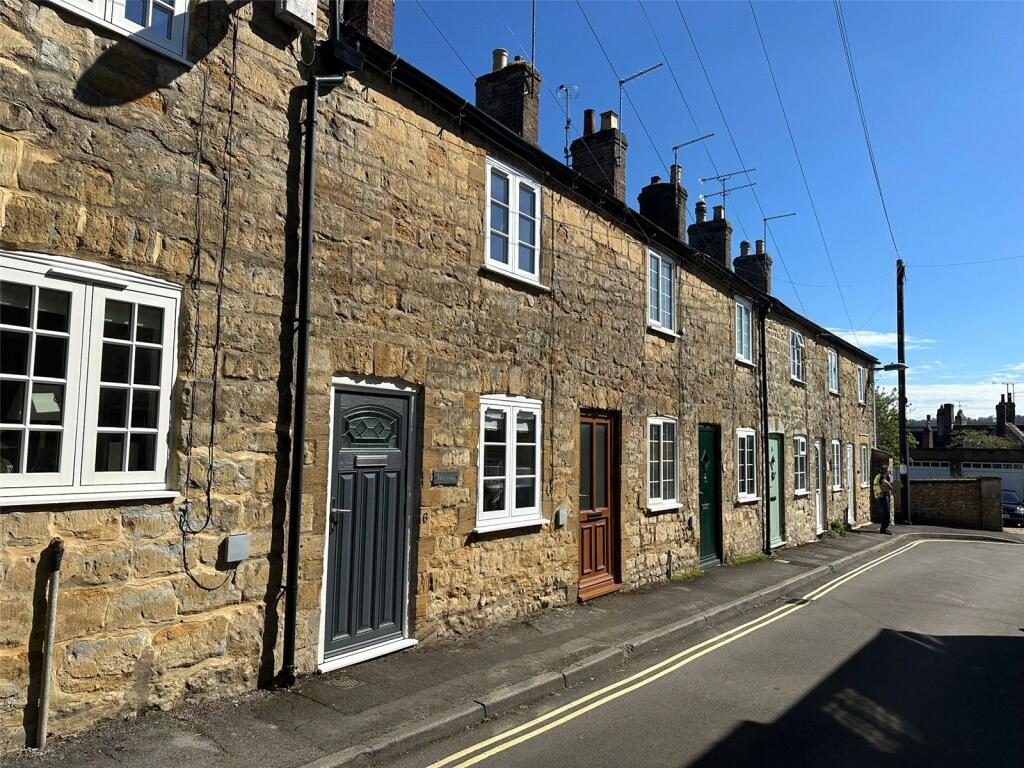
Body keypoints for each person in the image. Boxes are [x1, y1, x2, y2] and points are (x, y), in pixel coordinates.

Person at [873, 467, 894, 534]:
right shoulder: (882, 477)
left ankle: (884, 528)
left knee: (885, 512)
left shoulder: (878, 476)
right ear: (885, 471)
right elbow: (884, 484)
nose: (889, 472)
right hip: (883, 496)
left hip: (881, 496)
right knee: (886, 513)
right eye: (888, 471)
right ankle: (884, 529)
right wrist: (890, 487)